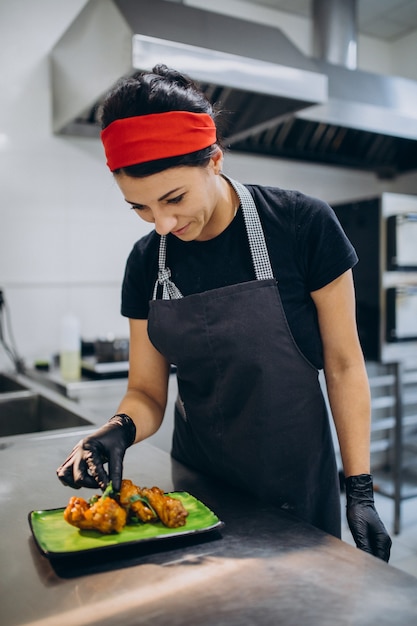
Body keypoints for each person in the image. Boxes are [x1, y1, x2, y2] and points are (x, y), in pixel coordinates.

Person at [57, 64, 391, 561]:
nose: (164, 225)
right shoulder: (146, 262)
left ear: (213, 160)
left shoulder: (303, 227)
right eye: (141, 209)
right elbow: (147, 391)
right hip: (195, 495)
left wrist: (359, 490)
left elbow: (344, 365)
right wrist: (118, 429)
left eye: (174, 198)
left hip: (295, 486)